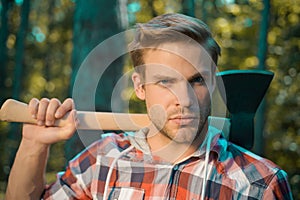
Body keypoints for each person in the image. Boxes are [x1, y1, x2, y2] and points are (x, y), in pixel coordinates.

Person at [5, 13, 293, 200]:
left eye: (197, 81)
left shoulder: (262, 184)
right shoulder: (103, 160)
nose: (185, 99)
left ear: (214, 84)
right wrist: (33, 145)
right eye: (166, 81)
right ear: (140, 87)